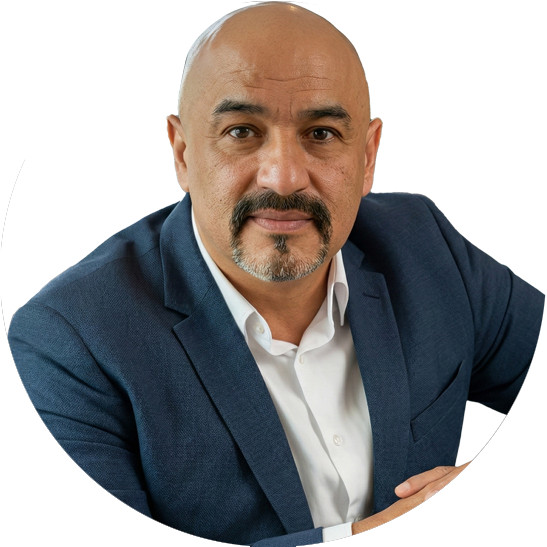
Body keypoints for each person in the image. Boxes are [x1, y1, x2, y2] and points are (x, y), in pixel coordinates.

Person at [7, 2, 544, 546]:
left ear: (368, 156)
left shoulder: (425, 246)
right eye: (242, 131)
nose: (283, 177)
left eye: (322, 133)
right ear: (183, 153)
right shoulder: (67, 342)